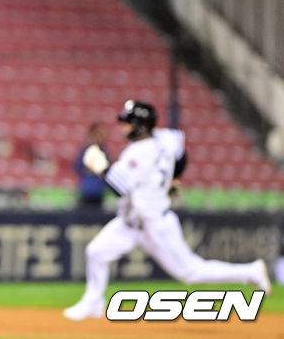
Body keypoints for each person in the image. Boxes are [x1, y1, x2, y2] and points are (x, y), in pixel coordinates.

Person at [63, 100, 271, 321]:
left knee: (191, 272)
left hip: (155, 225)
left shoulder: (137, 153)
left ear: (140, 126)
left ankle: (251, 272)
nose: (123, 127)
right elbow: (181, 157)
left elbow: (120, 188)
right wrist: (173, 179)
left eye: (129, 123)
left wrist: (102, 168)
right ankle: (93, 302)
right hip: (129, 222)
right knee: (96, 252)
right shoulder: (167, 138)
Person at [73, 122, 109, 208]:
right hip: (87, 191)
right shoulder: (86, 151)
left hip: (99, 192)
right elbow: (77, 167)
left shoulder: (103, 152)